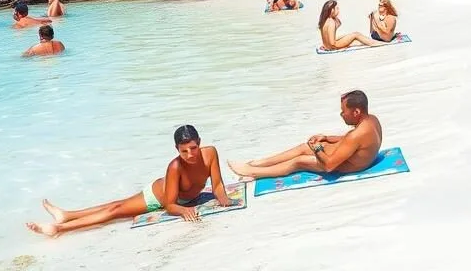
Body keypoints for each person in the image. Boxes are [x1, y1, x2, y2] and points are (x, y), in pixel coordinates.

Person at [27, 124, 231, 236]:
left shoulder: (211, 153)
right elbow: (169, 204)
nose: (190, 154)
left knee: (116, 205)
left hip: (176, 195)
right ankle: (59, 228)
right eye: (183, 151)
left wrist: (224, 200)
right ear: (176, 150)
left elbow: (218, 184)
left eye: (193, 148)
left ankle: (67, 215)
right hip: (158, 196)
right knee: (115, 211)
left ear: (200, 143)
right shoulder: (175, 166)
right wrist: (183, 210)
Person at [228, 90, 383, 181]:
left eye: (344, 111)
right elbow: (354, 142)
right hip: (353, 156)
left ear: (356, 112)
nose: (341, 114)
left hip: (348, 166)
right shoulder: (371, 120)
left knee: (299, 161)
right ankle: (258, 163)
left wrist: (317, 149)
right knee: (304, 147)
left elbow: (329, 166)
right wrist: (327, 138)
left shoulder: (356, 135)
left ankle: (252, 172)